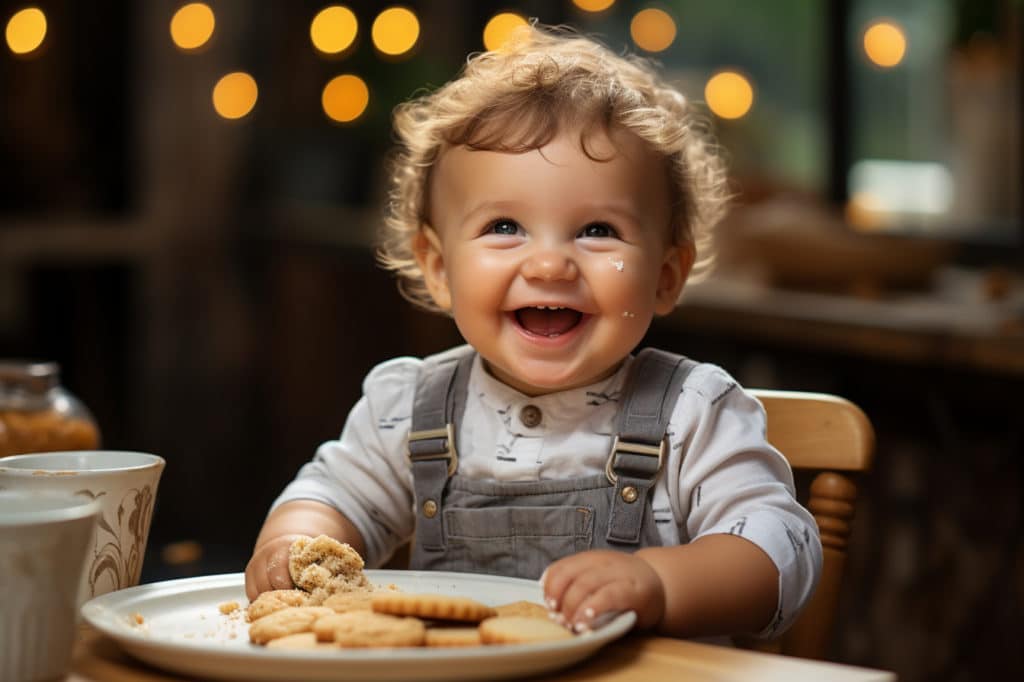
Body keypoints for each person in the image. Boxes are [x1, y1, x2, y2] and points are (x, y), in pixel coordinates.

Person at [246, 23, 821, 641]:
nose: (549, 264)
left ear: (666, 275)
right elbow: (334, 495)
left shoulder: (693, 414)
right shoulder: (410, 410)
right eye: (504, 227)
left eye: (597, 230)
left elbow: (779, 551)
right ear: (439, 269)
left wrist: (661, 583)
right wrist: (296, 539)